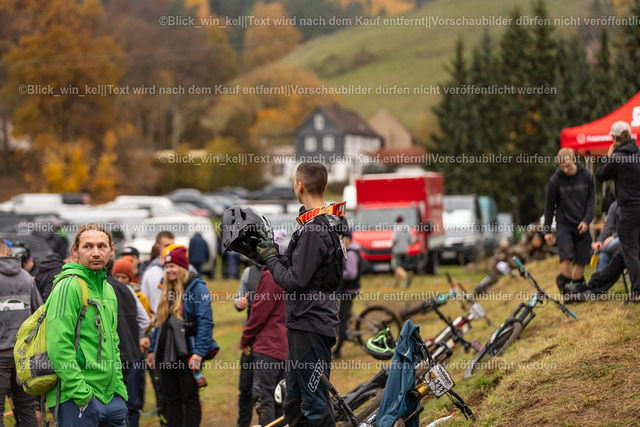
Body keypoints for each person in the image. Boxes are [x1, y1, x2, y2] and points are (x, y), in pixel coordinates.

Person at [257, 162, 349, 426]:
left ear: (299, 186)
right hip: (306, 321)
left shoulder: (314, 229)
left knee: (314, 403)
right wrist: (271, 254)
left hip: (311, 322)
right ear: (325, 186)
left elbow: (294, 280)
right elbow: (304, 270)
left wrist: (270, 258)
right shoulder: (328, 221)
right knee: (293, 400)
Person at [44, 223, 128, 425]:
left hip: (111, 398)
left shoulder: (108, 289)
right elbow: (58, 346)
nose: (96, 253)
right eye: (88, 246)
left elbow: (114, 341)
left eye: (102, 246)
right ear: (75, 251)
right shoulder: (68, 286)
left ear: (111, 250)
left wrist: (119, 389)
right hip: (78, 399)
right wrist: (81, 394)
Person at [147, 246, 217, 427]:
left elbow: (205, 322)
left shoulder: (197, 288)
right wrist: (152, 350)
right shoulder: (167, 289)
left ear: (182, 268)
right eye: (166, 266)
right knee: (170, 398)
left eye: (173, 266)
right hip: (165, 354)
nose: (169, 270)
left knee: (190, 397)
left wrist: (199, 353)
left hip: (188, 353)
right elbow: (159, 323)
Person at [240, 235, 288, 426]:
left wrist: (246, 338)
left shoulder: (270, 276)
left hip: (268, 347)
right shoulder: (289, 274)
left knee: (264, 397)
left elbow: (259, 313)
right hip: (285, 347)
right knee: (280, 398)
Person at [595, 121, 640, 304]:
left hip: (628, 211)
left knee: (631, 253)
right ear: (629, 135)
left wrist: (609, 156)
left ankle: (637, 294)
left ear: (613, 138)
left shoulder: (617, 158)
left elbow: (600, 175)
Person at [0, 237, 42, 427]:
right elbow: (39, 313)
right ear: (7, 251)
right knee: (26, 407)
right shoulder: (26, 277)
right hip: (24, 354)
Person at [543, 148, 596, 298]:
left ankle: (576, 287)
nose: (565, 170)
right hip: (564, 223)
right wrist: (547, 230)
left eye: (567, 166)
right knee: (565, 255)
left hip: (581, 222)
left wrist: (586, 220)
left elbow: (592, 201)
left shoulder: (586, 176)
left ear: (574, 160)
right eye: (562, 167)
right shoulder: (555, 180)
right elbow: (549, 206)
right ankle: (565, 285)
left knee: (582, 256)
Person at [109, 258, 151, 427]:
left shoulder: (105, 288)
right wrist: (133, 338)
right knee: (124, 397)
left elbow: (145, 319)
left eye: (124, 277)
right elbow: (144, 321)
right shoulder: (128, 291)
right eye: (117, 276)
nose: (120, 280)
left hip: (110, 355)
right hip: (128, 354)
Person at [234, 261, 265, 427]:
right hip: (251, 339)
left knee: (268, 391)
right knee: (245, 387)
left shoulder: (281, 270)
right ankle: (243, 424)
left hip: (271, 342)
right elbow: (239, 298)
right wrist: (239, 302)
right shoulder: (249, 272)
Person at [333, 230, 362, 360]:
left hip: (348, 290)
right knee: (343, 316)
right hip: (349, 289)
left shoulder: (351, 253)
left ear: (348, 239)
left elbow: (351, 273)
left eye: (342, 238)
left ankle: (338, 350)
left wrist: (337, 274)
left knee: (342, 320)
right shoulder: (352, 250)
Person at [140, 231, 175, 315]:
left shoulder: (183, 269)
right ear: (158, 246)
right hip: (157, 319)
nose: (171, 249)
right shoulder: (149, 272)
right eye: (167, 246)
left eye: (173, 245)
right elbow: (144, 300)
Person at [592, 201, 621, 273]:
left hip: (631, 240)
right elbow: (607, 226)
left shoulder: (634, 204)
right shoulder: (615, 205)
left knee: (603, 248)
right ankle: (598, 280)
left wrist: (614, 236)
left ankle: (598, 249)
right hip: (619, 245)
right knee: (603, 256)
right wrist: (600, 241)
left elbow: (632, 228)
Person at [392, 216, 414, 288]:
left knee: (397, 267)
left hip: (397, 250)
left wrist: (392, 245)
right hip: (405, 250)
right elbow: (411, 241)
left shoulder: (397, 228)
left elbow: (394, 239)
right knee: (400, 267)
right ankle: (396, 284)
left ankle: (406, 277)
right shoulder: (407, 228)